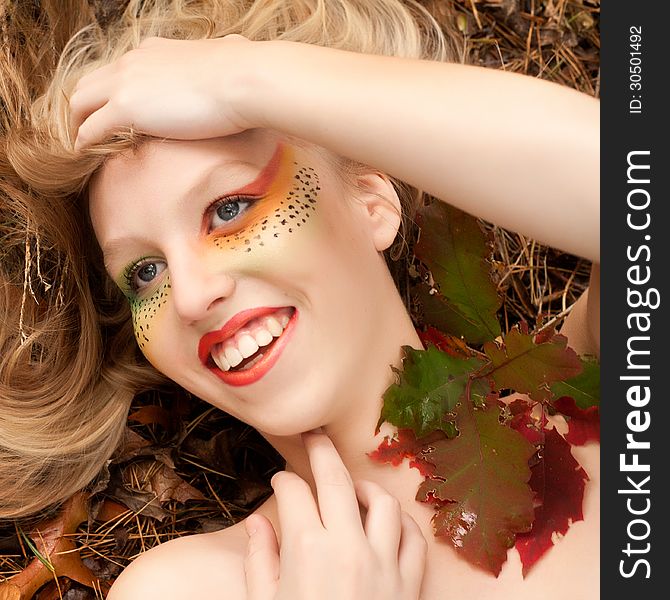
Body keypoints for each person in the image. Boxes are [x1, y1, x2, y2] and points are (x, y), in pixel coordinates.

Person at [0, 0, 600, 598]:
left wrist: (244, 79)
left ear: (371, 202)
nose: (189, 295)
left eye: (229, 209)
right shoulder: (197, 588)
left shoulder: (596, 397)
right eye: (145, 271)